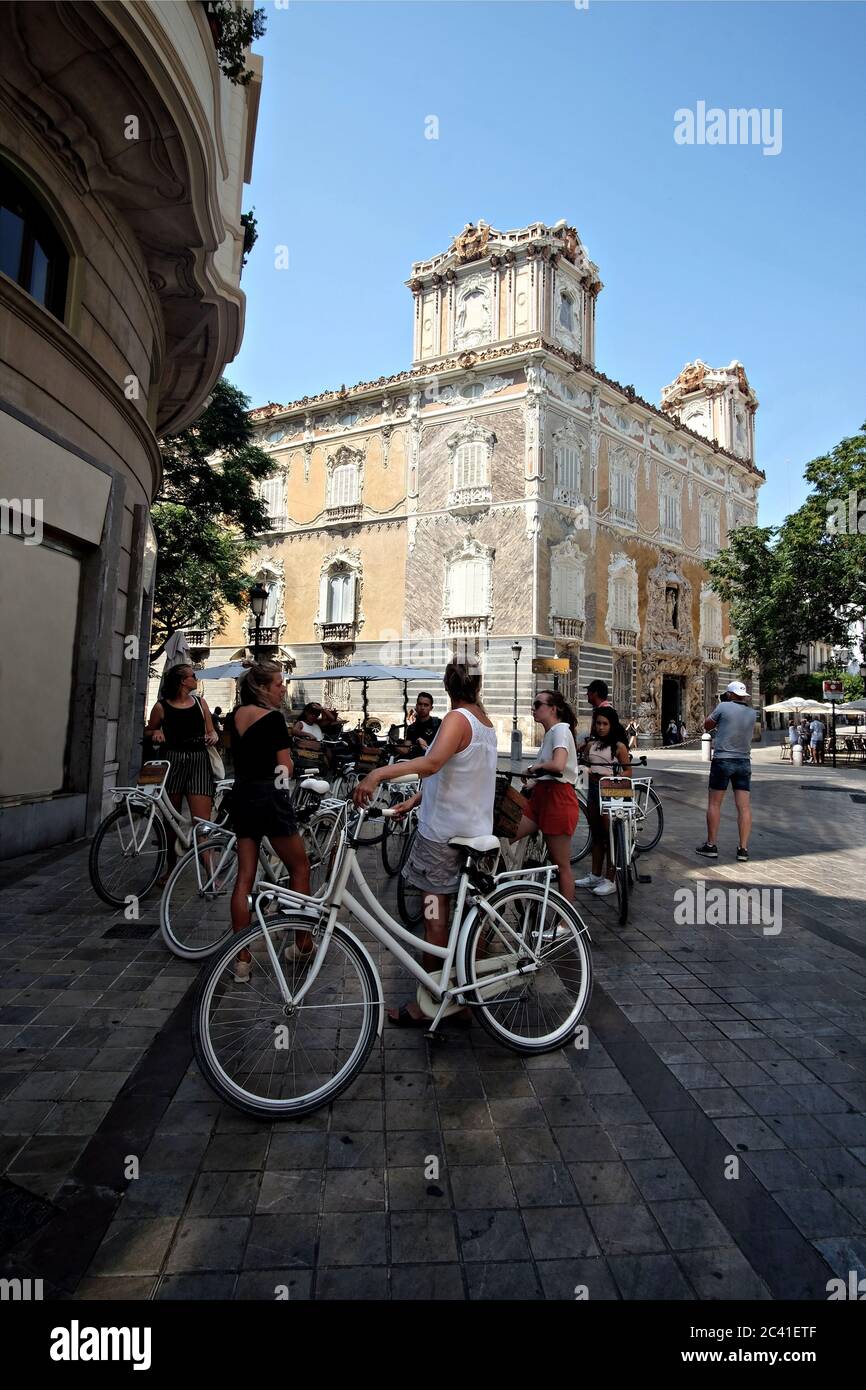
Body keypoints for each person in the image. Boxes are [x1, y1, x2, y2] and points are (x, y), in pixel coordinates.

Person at [353, 659, 497, 1026]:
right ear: (477, 686)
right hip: (476, 832)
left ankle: (429, 1003)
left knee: (435, 920)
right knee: (464, 920)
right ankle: (461, 992)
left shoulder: (456, 719)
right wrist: (414, 800)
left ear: (448, 688)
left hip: (442, 838)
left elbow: (432, 764)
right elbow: (457, 772)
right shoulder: (485, 723)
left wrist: (379, 773)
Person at [227, 661, 312, 981]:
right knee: (300, 867)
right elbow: (284, 766)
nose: (283, 689)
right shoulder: (275, 720)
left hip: (242, 796)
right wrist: (282, 785)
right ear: (263, 687)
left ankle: (242, 961)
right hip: (270, 798)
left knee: (244, 877)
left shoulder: (234, 716)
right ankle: (303, 943)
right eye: (279, 684)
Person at [144, 664, 218, 877]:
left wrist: (212, 736)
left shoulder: (200, 703)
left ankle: (210, 874)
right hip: (172, 761)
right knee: (170, 821)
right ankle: (169, 868)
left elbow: (211, 732)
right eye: (193, 676)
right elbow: (148, 731)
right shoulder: (161, 707)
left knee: (202, 823)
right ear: (183, 681)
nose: (196, 679)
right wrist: (156, 731)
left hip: (199, 762)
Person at [511, 689, 580, 901]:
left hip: (557, 800)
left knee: (562, 865)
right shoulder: (552, 733)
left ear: (553, 708)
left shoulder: (560, 730)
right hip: (542, 798)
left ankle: (566, 923)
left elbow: (558, 765)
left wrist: (532, 769)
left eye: (538, 704)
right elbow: (550, 770)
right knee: (507, 834)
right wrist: (534, 778)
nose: (533, 708)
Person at [574, 706, 632, 897]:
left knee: (610, 836)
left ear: (612, 725)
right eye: (598, 723)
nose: (600, 727)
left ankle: (611, 878)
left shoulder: (619, 747)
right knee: (597, 833)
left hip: (610, 791)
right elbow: (585, 765)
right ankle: (596, 874)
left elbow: (628, 772)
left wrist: (612, 776)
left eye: (605, 724)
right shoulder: (592, 745)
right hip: (593, 791)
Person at [696, 680, 755, 863]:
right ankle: (743, 848)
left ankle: (711, 845)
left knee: (715, 804)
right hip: (744, 761)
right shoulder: (753, 713)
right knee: (743, 807)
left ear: (729, 694)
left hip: (723, 760)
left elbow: (707, 725)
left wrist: (718, 708)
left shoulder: (723, 707)